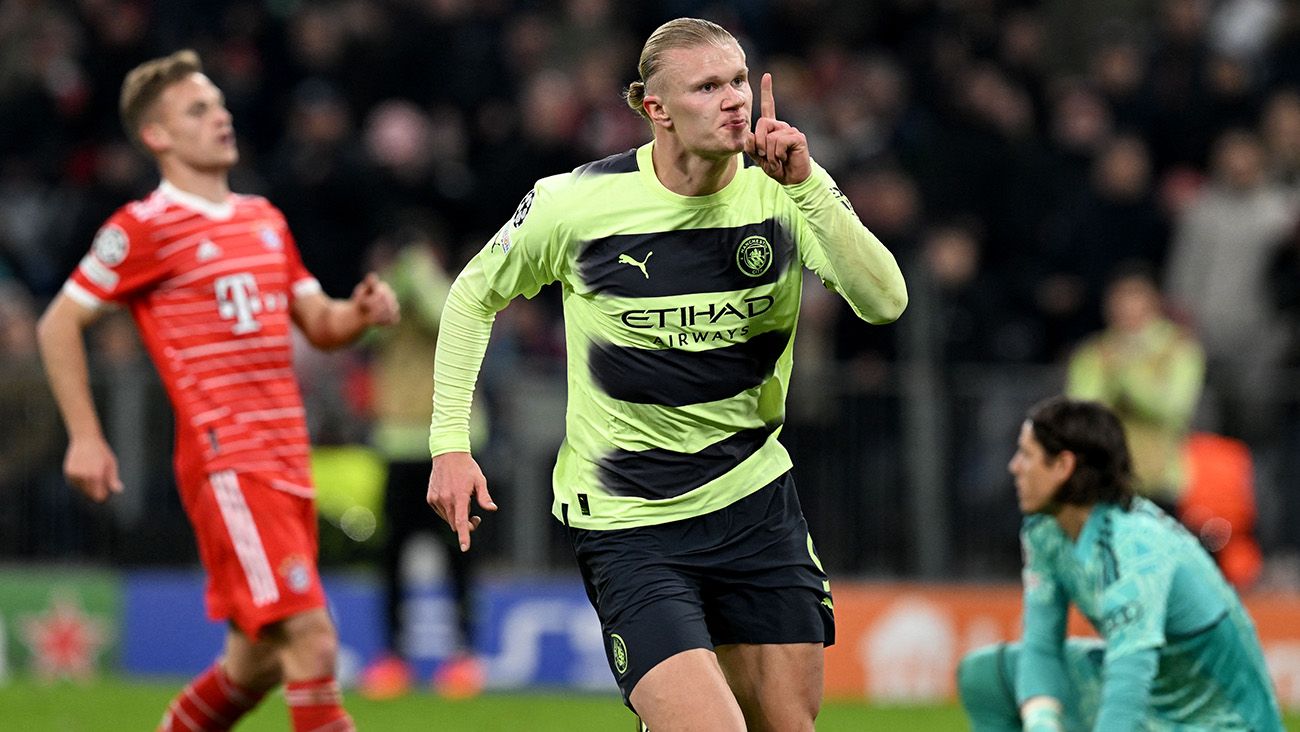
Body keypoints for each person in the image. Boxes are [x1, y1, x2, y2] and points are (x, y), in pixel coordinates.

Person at [425, 17, 907, 732]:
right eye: (708, 86)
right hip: (630, 521)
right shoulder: (575, 204)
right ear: (656, 109)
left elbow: (885, 300)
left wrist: (808, 184)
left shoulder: (781, 191)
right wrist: (450, 444)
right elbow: (472, 294)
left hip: (754, 502)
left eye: (739, 79)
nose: (734, 99)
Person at [35, 50, 399, 732]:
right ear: (157, 137)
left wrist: (360, 312)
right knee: (313, 639)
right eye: (197, 110)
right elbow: (59, 321)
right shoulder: (143, 226)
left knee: (255, 661)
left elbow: (317, 321)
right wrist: (86, 436)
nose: (220, 116)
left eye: (219, 104)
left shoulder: (264, 217)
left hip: (288, 455)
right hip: (230, 457)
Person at [957, 397, 1283, 732]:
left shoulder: (1135, 546)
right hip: (1155, 702)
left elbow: (1128, 683)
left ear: (1062, 466)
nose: (1014, 466)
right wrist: (1042, 723)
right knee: (987, 675)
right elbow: (1041, 646)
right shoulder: (1045, 531)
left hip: (1221, 724)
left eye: (1027, 454)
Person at [359, 221, 484, 699]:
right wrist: (396, 281)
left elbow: (448, 314)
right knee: (392, 557)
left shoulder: (453, 288)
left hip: (456, 446)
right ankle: (392, 657)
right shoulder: (390, 300)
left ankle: (464, 656)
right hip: (396, 443)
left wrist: (422, 274)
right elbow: (364, 336)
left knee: (461, 555)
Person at [1065, 263, 1204, 509]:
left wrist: (1126, 376)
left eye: (1135, 295)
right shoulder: (1093, 353)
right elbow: (1082, 416)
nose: (1126, 306)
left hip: (1159, 482)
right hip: (1104, 481)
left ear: (1155, 300)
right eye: (1119, 297)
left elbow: (1175, 409)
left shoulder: (1179, 349)